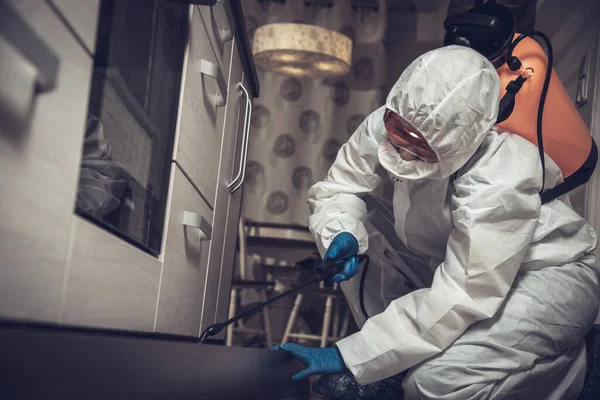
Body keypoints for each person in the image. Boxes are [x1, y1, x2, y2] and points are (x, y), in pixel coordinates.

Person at [271, 46, 600, 399]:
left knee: (434, 382)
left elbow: (464, 291)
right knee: (360, 215)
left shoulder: (501, 177)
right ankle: (393, 363)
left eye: (423, 148)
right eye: (400, 134)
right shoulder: (393, 120)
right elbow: (339, 188)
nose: (404, 153)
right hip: (460, 265)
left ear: (464, 141)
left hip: (546, 278)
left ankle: (578, 370)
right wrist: (343, 231)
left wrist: (350, 354)